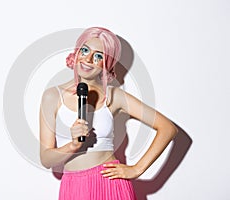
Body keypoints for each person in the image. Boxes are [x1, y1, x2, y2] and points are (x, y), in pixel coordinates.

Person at [39, 27, 178, 200]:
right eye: (84, 50)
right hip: (73, 187)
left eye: (98, 56)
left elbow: (167, 128)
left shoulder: (114, 97)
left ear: (107, 64)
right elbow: (46, 159)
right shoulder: (52, 96)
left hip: (109, 183)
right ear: (76, 53)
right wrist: (73, 146)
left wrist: (137, 169)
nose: (88, 59)